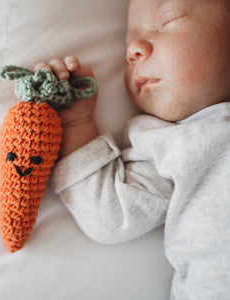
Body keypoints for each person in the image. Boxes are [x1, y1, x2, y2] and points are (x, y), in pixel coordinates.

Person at [34, 0, 230, 298]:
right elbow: (110, 217)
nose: (132, 50)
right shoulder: (170, 141)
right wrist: (77, 123)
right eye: (127, 47)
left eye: (167, 22)